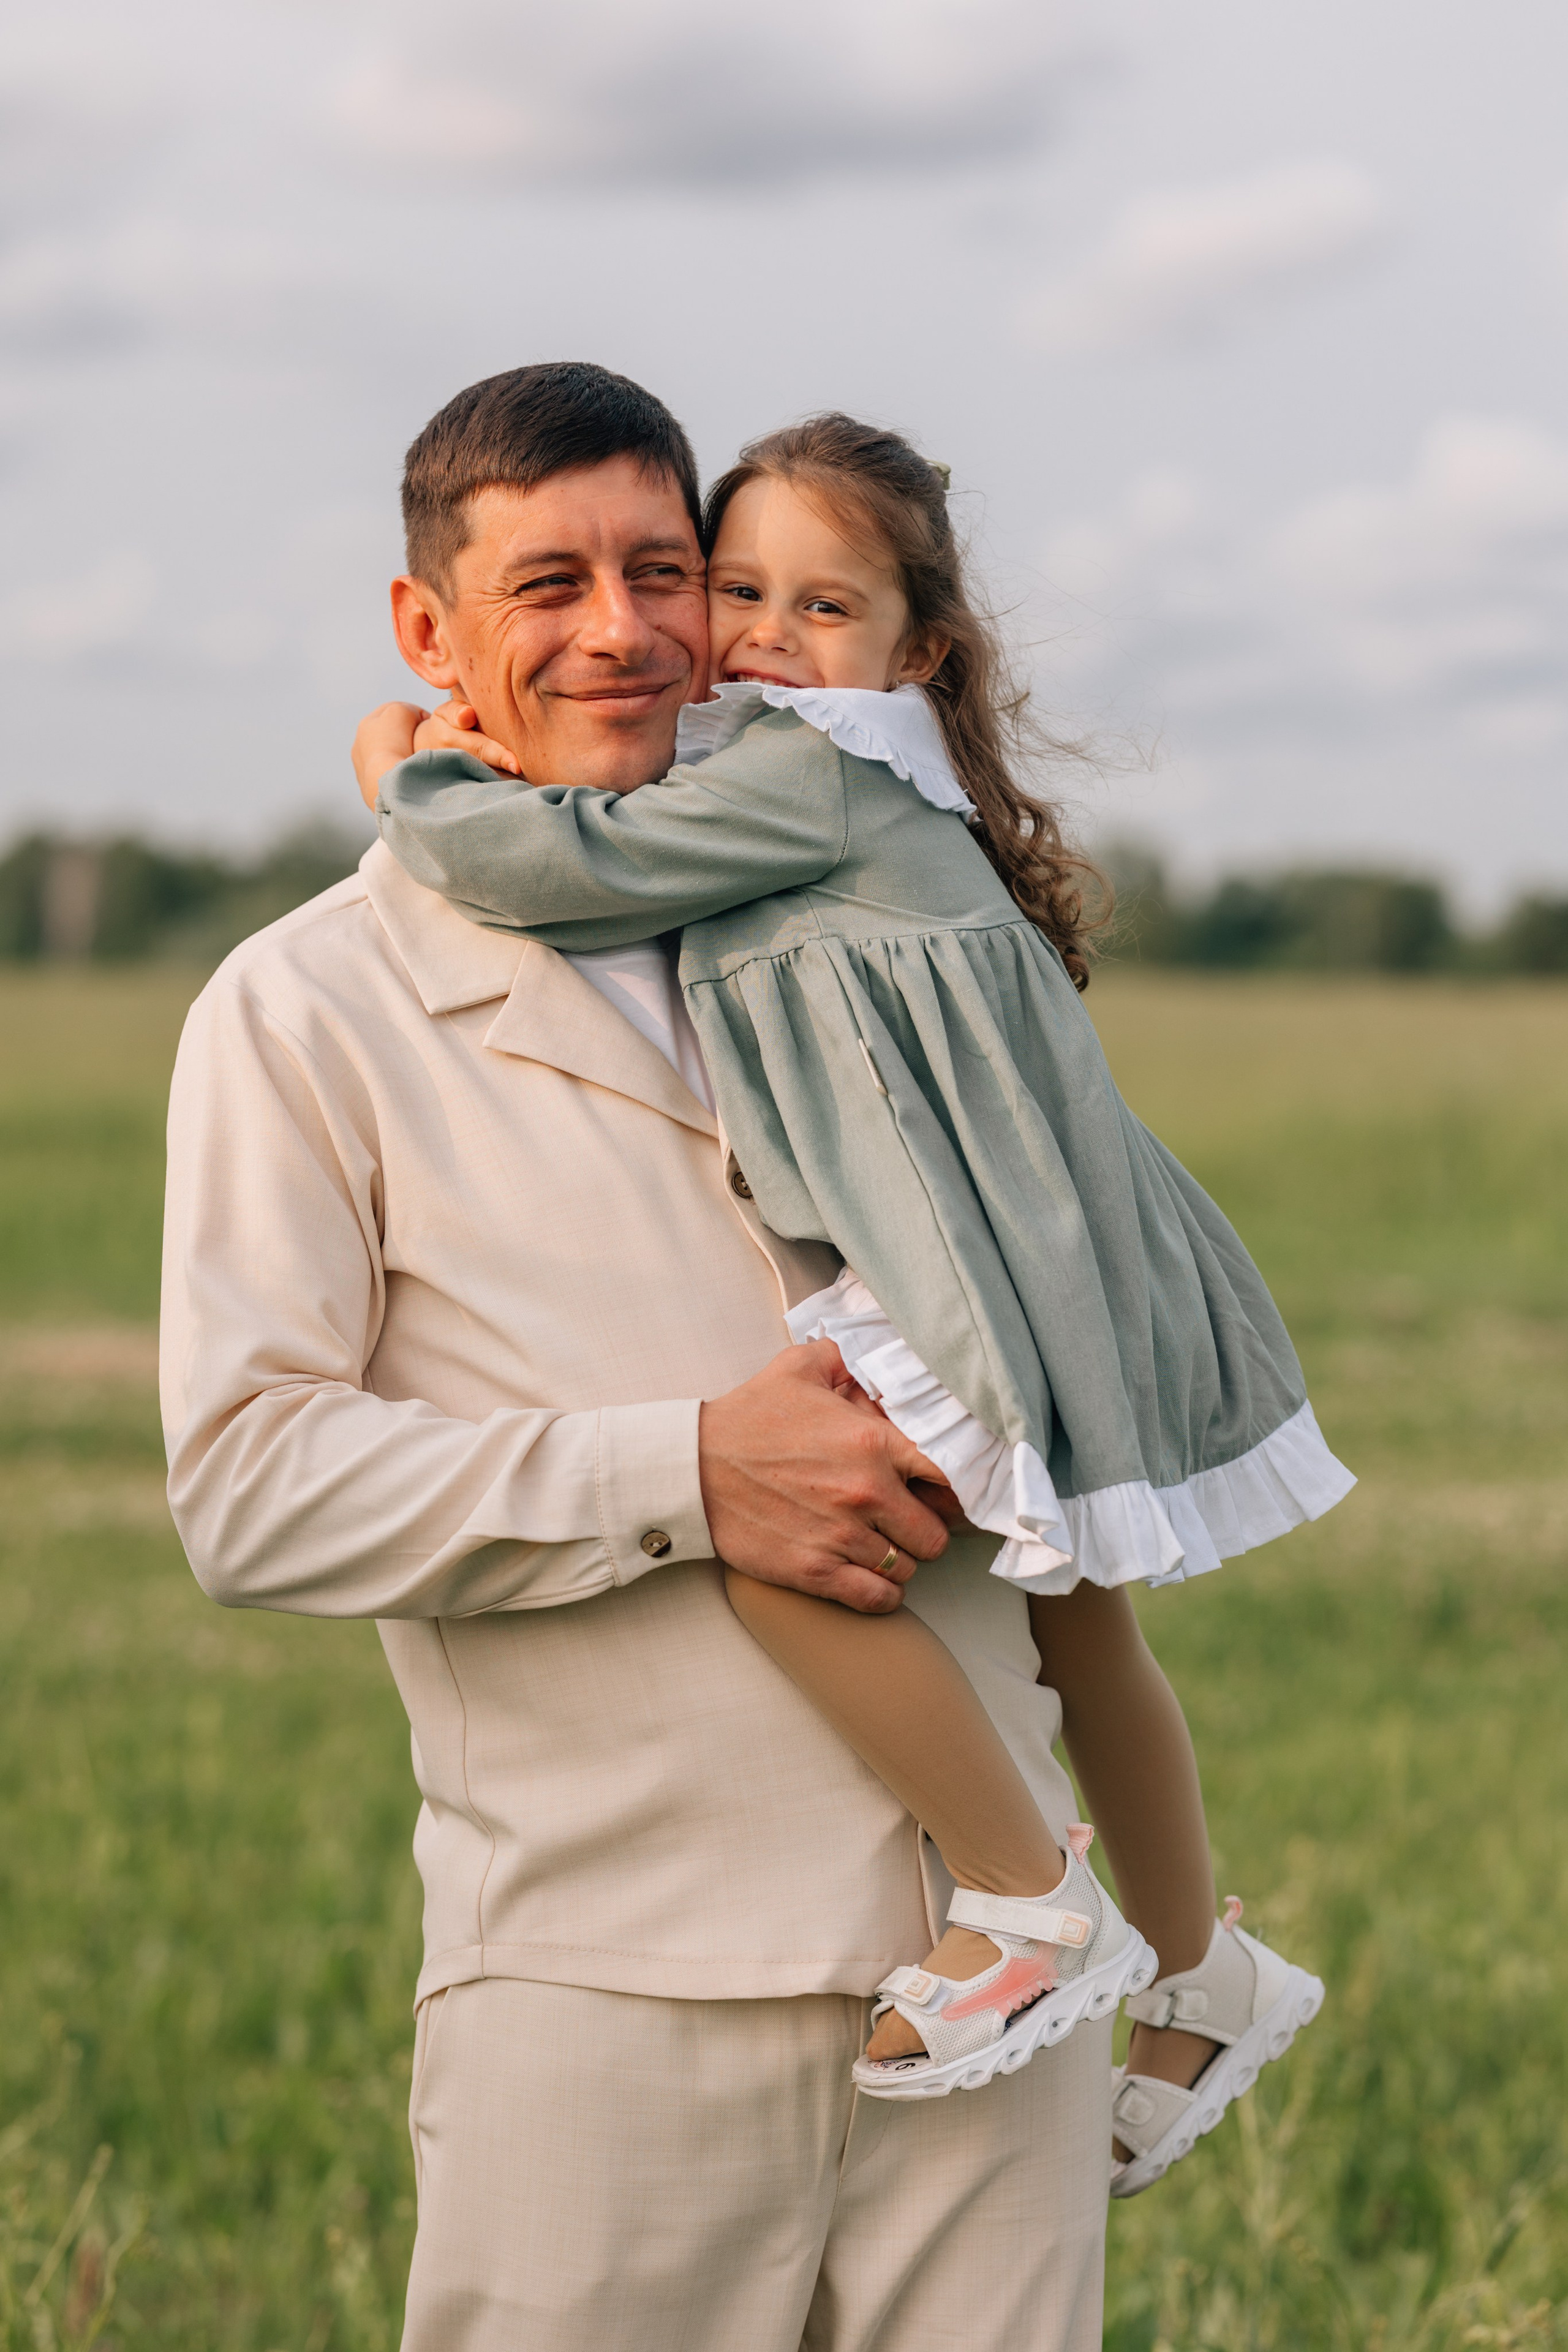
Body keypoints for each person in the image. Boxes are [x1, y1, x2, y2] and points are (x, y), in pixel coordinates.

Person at [162, 362, 1121, 2352]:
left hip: (999, 1969)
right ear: (428, 630)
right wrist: (684, 1471)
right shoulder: (300, 1013)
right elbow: (246, 1486)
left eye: (663, 569)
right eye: (548, 583)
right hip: (608, 1993)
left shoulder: (869, 894)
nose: (623, 629)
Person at [357, 410, 1351, 2187]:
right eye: (735, 589)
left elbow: (559, 868)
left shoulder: (808, 772)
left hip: (965, 1264)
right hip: (1039, 1245)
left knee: (781, 1550)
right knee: (1083, 1620)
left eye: (820, 606)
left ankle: (1034, 1908)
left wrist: (406, 770)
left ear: (918, 647)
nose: (756, 636)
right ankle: (1207, 1963)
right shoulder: (851, 765)